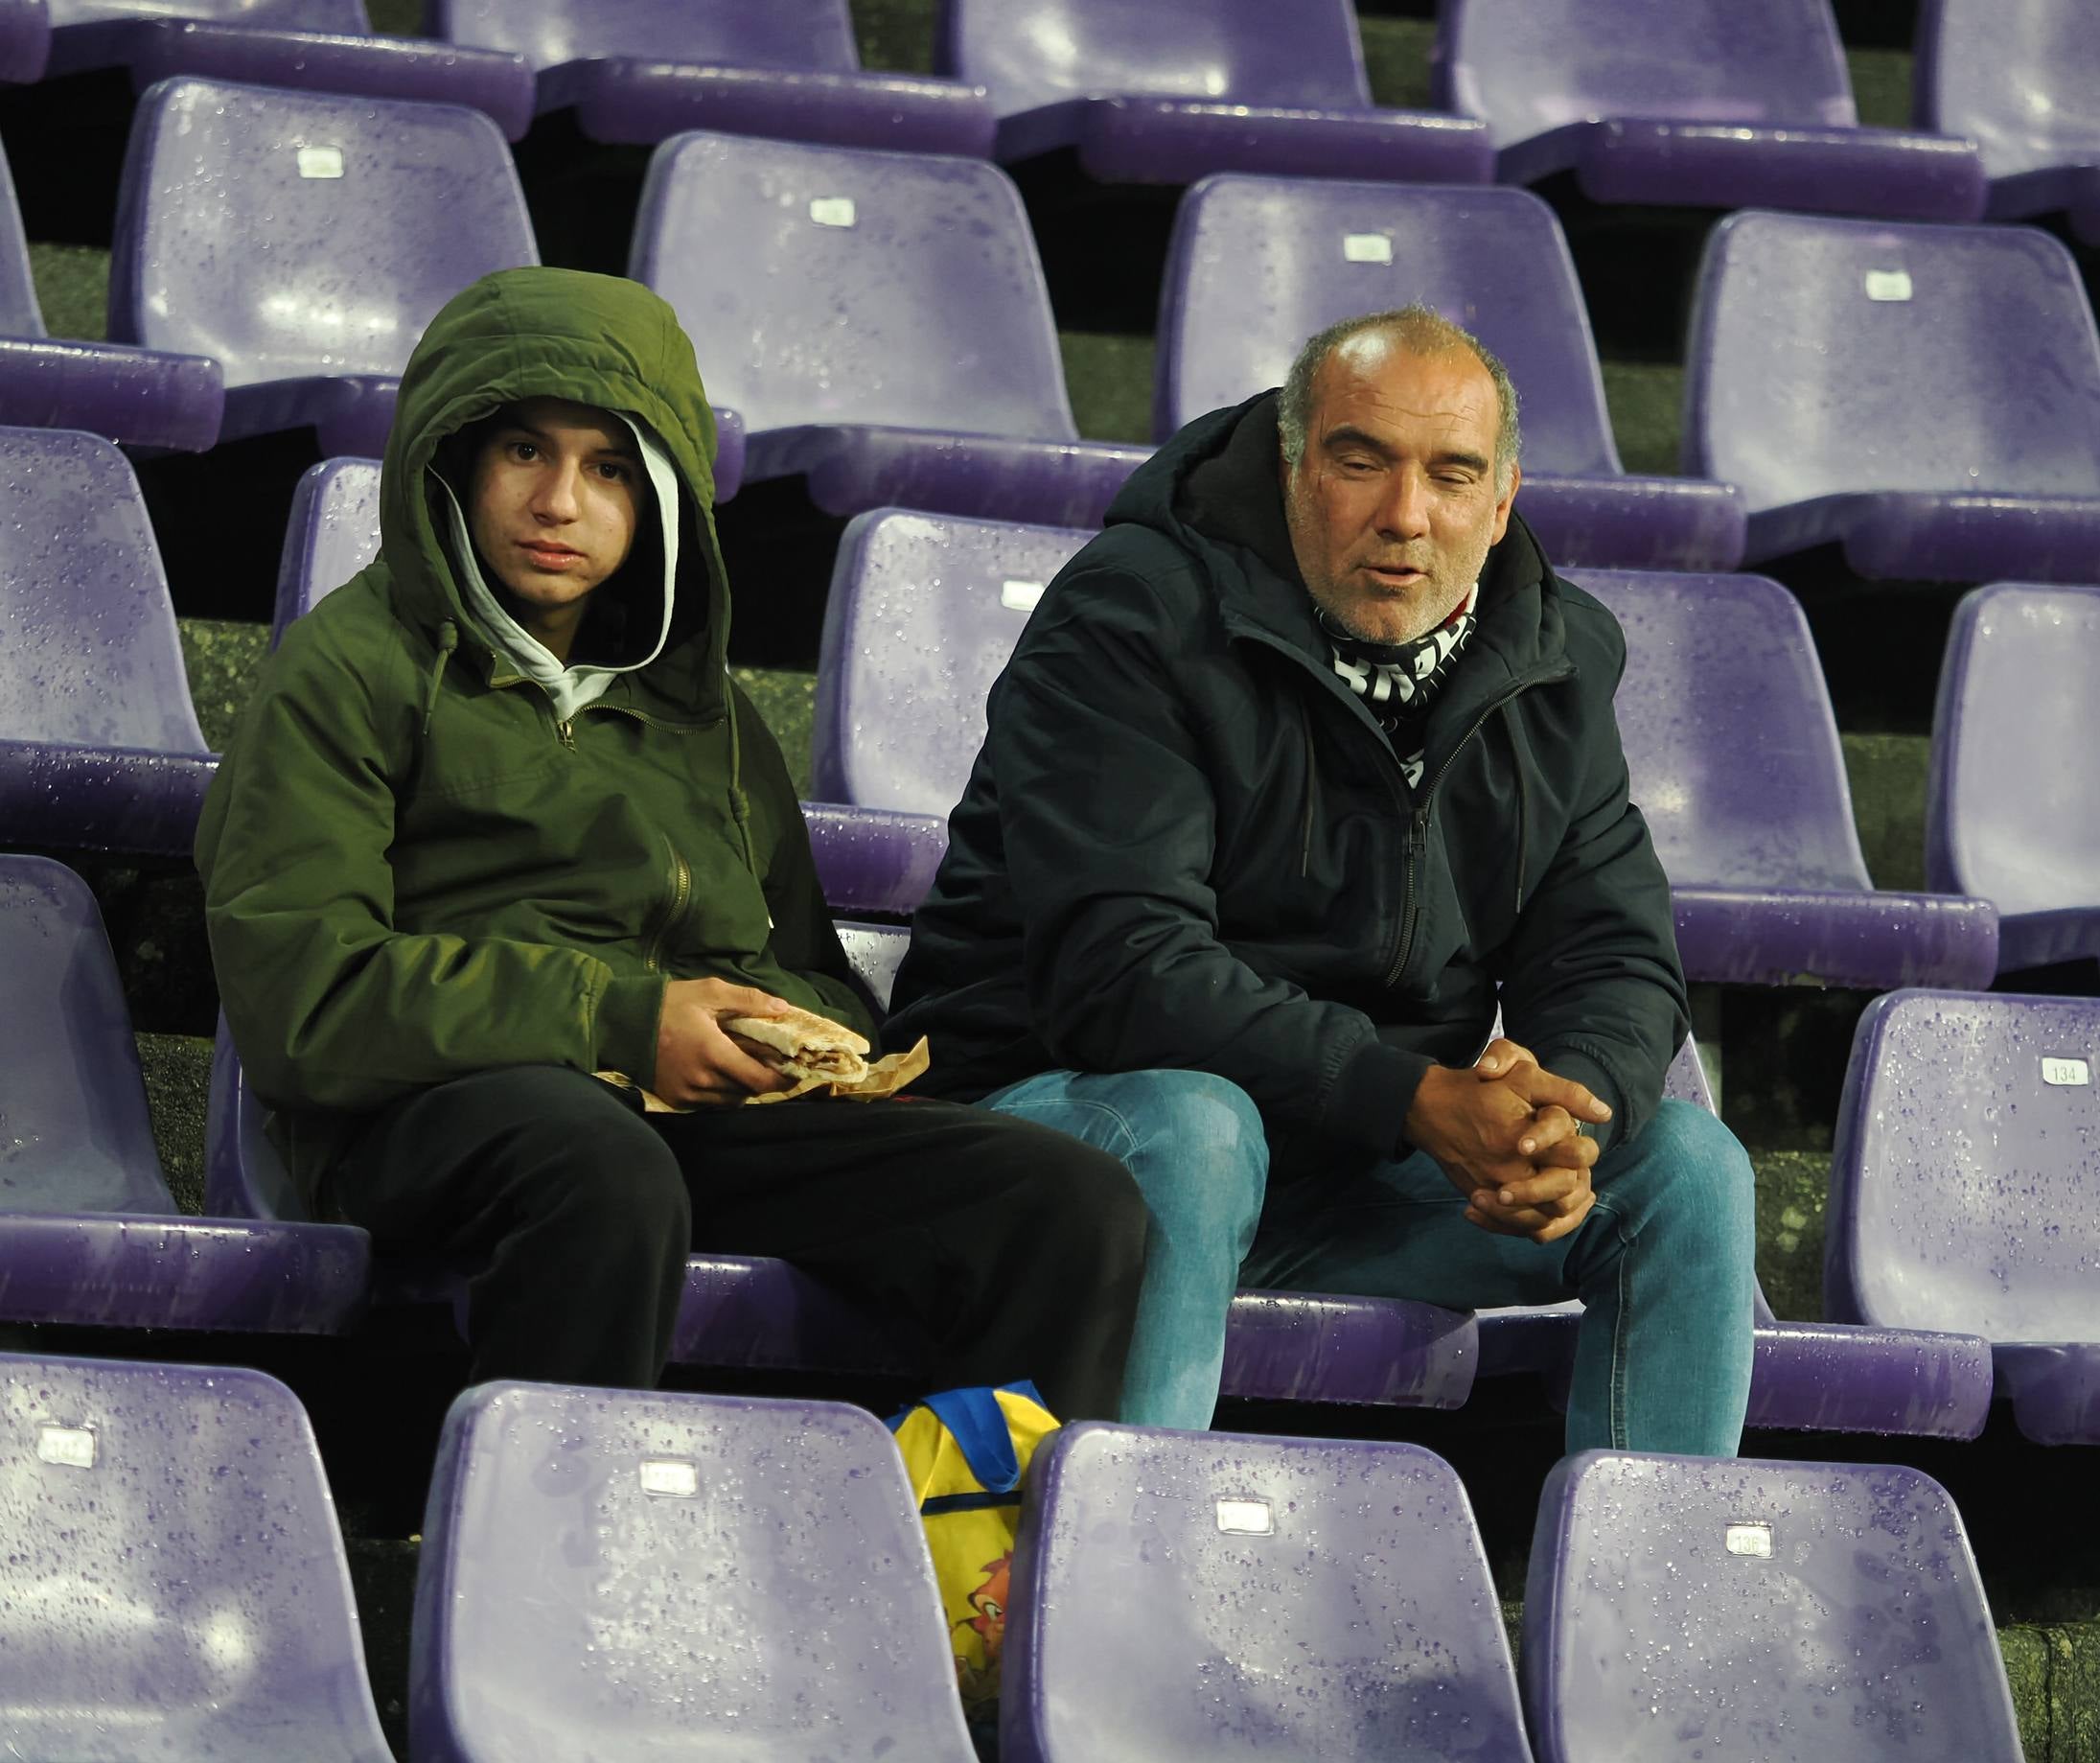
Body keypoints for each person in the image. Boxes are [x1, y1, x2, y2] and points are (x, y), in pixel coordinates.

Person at [196, 268, 1147, 1420]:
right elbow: (307, 1000)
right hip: (434, 1110)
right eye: (524, 454)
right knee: (599, 1169)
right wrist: (623, 1019)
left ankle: (969, 1580)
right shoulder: (345, 672)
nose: (560, 502)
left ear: (659, 504)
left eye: (608, 468)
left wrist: (789, 1037)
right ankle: (543, 1573)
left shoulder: (709, 715)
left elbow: (806, 969)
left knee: (1062, 1202)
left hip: (673, 1120)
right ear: (451, 462)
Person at [887, 304, 1755, 1451]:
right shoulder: (1134, 613)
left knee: (1685, 1167)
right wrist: (1409, 1092)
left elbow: (1611, 947)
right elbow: (1123, 970)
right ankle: (1105, 1590)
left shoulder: (1552, 660)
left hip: (1348, 1166)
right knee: (1197, 1128)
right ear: (1295, 467)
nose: (1405, 517)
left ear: (1500, 505)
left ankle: (1657, 1615)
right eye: (1362, 462)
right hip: (1067, 1136)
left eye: (1451, 476)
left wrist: (1563, 1115)